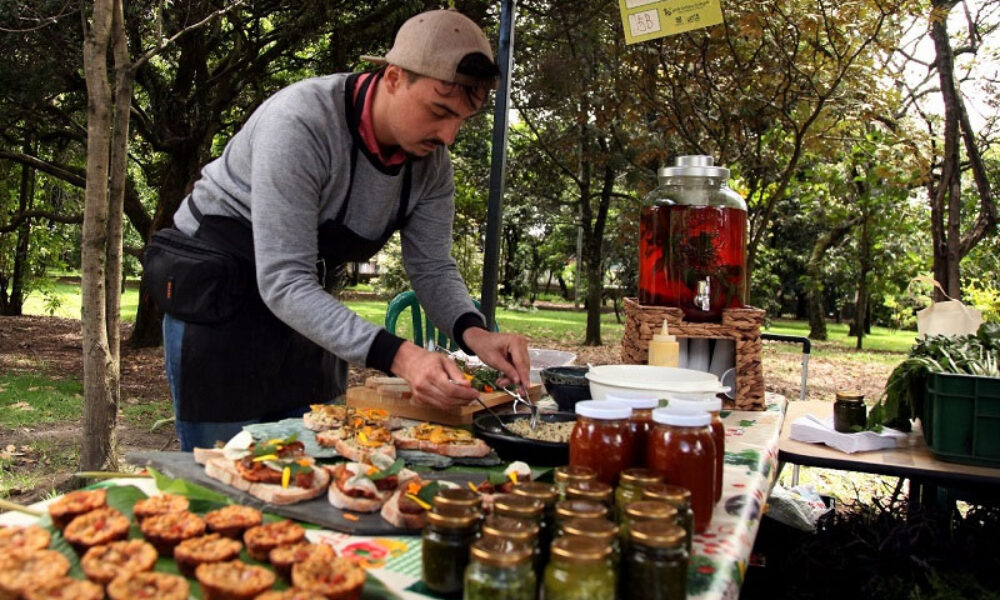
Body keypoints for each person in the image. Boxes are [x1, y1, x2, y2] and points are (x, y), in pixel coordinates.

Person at [153, 9, 529, 451]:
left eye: (462, 120)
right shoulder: (301, 123)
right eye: (438, 111)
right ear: (392, 77)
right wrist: (402, 356)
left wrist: (475, 334)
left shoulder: (431, 165)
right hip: (219, 302)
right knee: (224, 475)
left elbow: (431, 266)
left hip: (307, 305)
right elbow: (282, 279)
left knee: (320, 457)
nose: (448, 135)